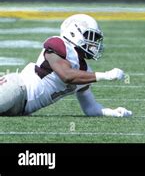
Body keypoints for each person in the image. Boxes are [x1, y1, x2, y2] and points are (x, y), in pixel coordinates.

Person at [0, 14, 132, 117]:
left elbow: (90, 108)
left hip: (22, 108)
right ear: (74, 33)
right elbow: (66, 76)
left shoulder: (84, 71)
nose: (93, 44)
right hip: (17, 89)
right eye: (89, 37)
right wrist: (106, 75)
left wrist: (113, 112)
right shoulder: (59, 44)